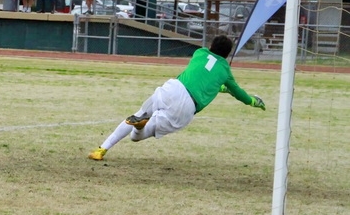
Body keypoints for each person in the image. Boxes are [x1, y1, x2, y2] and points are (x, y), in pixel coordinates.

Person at [88, 35, 266, 161]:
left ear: (211, 46)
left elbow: (204, 75)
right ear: (227, 55)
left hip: (173, 88)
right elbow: (239, 93)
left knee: (140, 112)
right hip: (187, 106)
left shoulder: (200, 53)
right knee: (136, 138)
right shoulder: (225, 71)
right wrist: (252, 101)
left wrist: (220, 87)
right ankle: (142, 126)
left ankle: (102, 148)